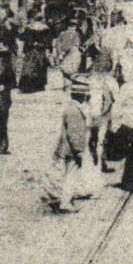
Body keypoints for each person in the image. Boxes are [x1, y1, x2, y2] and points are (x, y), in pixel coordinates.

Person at [51, 85, 90, 213]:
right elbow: (75, 134)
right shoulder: (74, 111)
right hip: (72, 150)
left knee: (68, 174)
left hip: (66, 148)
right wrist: (79, 151)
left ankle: (63, 198)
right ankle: (66, 202)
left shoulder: (70, 108)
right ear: (82, 96)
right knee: (71, 176)